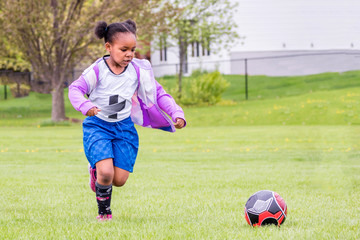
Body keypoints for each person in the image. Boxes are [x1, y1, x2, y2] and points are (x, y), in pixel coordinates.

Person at [68, 19, 186, 221]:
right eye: (124, 49)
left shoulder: (138, 71)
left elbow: (158, 94)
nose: (129, 54)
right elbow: (75, 89)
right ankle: (104, 212)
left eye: (132, 49)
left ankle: (97, 173)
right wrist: (86, 106)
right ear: (108, 47)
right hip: (98, 126)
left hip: (124, 128)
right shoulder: (97, 71)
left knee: (119, 179)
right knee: (106, 173)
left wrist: (176, 112)